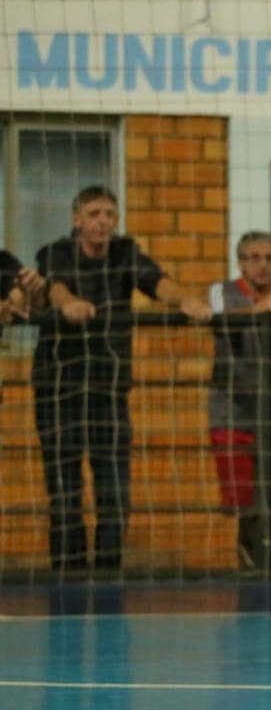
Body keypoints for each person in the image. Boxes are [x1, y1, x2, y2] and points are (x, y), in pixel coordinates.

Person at [33, 185, 212, 573]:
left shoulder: (125, 252)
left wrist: (184, 299)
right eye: (94, 214)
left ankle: (109, 569)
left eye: (109, 215)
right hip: (58, 386)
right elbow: (56, 286)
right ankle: (69, 570)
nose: (103, 222)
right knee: (63, 485)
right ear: (76, 219)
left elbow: (157, 280)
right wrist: (68, 305)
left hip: (108, 385)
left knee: (113, 484)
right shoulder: (55, 252)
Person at [208, 231, 271, 574]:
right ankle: (251, 570)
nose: (262, 265)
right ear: (240, 262)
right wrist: (262, 309)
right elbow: (220, 325)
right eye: (254, 258)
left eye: (270, 258)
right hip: (233, 412)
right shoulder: (222, 292)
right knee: (245, 502)